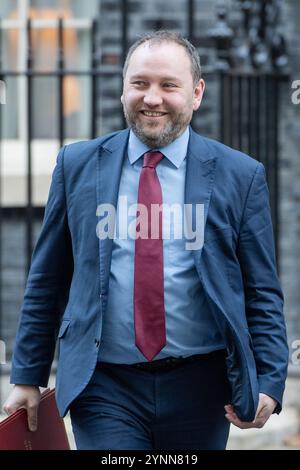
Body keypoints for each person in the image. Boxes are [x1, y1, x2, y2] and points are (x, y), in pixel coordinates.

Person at [4, 31, 289, 450]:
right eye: (139, 83)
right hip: (104, 384)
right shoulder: (77, 165)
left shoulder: (239, 176)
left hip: (202, 387)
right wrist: (27, 376)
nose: (151, 98)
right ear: (123, 91)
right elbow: (46, 279)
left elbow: (262, 290)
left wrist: (269, 380)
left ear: (196, 93)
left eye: (167, 85)